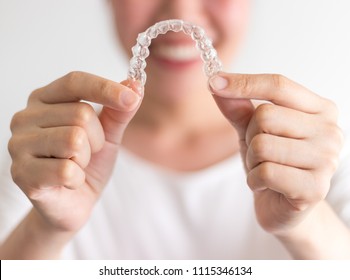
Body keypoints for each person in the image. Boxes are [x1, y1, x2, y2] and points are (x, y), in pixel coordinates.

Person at [0, 0, 350, 259]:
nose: (181, 11)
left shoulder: (323, 155)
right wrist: (44, 227)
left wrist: (306, 222)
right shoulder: (45, 160)